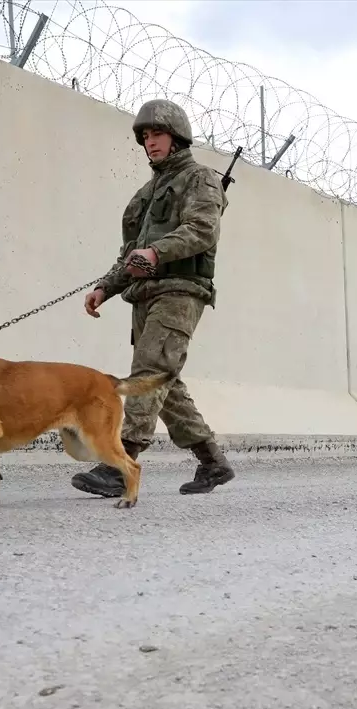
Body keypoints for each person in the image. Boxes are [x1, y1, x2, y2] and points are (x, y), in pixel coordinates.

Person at [72, 98, 236, 497]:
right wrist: (103, 288)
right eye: (145, 136)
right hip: (144, 296)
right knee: (165, 382)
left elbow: (202, 230)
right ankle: (213, 462)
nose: (150, 142)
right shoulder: (145, 195)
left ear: (177, 137)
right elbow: (131, 255)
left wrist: (157, 253)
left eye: (157, 133)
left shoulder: (200, 179)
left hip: (180, 293)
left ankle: (120, 464)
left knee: (147, 374)